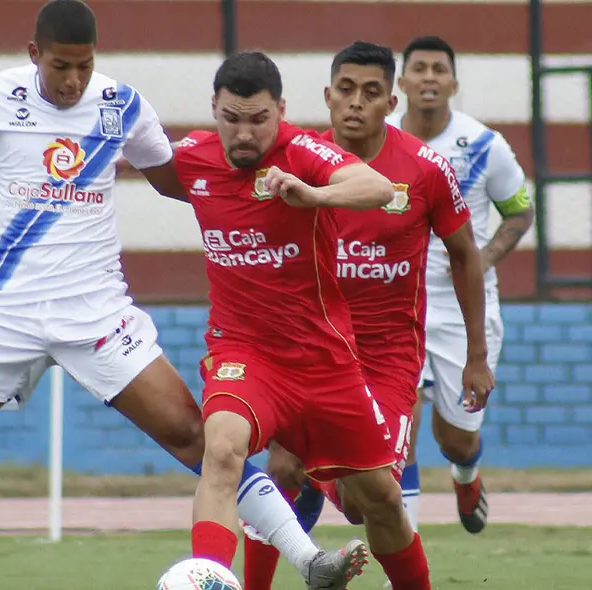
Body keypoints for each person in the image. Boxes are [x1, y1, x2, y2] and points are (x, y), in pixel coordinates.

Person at [0, 3, 362, 590]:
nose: (74, 81)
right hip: (3, 316)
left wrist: (277, 185)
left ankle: (310, 562)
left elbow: (190, 182)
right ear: (33, 55)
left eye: (85, 66)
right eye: (61, 66)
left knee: (196, 438)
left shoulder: (121, 106)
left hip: (96, 314)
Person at [237, 41, 493, 590]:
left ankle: (326, 479)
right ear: (328, 97)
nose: (356, 103)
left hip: (386, 361)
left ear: (390, 101)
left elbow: (467, 255)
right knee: (280, 467)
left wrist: (476, 358)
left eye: (371, 92)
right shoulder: (296, 162)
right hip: (310, 349)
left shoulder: (425, 171)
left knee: (365, 500)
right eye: (346, 90)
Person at [173, 50, 433, 590]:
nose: (244, 134)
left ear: (281, 111)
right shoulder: (192, 156)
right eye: (232, 119)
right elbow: (124, 156)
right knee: (221, 449)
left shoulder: (302, 152)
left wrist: (314, 195)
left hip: (322, 362)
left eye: (258, 120)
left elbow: (378, 188)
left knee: (379, 499)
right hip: (243, 354)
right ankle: (213, 581)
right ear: (214, 110)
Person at [389, 35, 535, 534]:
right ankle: (401, 562)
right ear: (402, 82)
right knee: (398, 434)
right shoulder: (375, 137)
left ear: (453, 83)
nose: (429, 76)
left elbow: (519, 211)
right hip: (391, 304)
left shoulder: (484, 145)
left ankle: (465, 475)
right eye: (419, 68)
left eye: (439, 69)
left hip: (461, 309)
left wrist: (484, 259)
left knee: (455, 438)